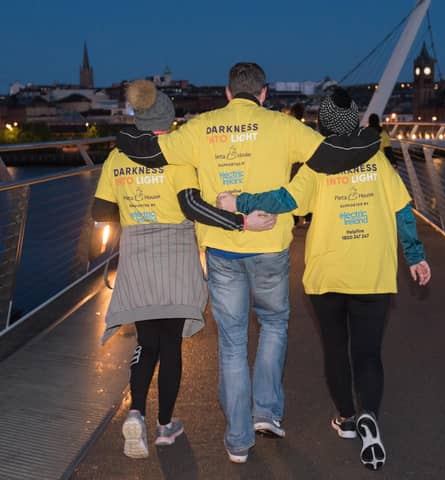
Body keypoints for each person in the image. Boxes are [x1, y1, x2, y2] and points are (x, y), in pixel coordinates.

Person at [114, 63, 381, 463]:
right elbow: (332, 154)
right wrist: (372, 140)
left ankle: (239, 439)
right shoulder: (283, 126)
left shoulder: (202, 127)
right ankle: (267, 414)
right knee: (274, 325)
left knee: (233, 342)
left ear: (226, 93)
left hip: (222, 249)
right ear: (264, 93)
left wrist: (123, 136)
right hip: (270, 245)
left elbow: (152, 151)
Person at [217, 88, 431, 470]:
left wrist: (240, 202)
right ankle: (370, 417)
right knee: (367, 352)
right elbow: (403, 211)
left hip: (327, 275)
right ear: (355, 121)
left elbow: (285, 200)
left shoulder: (317, 166)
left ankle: (347, 419)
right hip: (373, 274)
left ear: (323, 124)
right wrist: (415, 257)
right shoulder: (378, 162)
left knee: (335, 348)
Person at [92, 80, 275, 459]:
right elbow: (193, 205)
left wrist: (132, 207)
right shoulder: (177, 158)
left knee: (146, 341)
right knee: (171, 343)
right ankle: (164, 426)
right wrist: (240, 222)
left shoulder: (115, 158)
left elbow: (101, 212)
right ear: (168, 122)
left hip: (138, 255)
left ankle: (136, 412)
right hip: (175, 254)